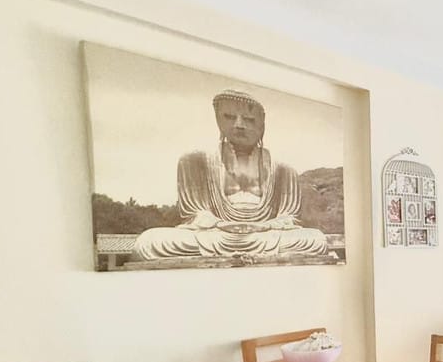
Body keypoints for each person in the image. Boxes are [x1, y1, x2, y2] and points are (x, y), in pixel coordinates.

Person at [132, 90, 328, 260]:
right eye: (229, 117)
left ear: (262, 125)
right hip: (215, 234)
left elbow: (289, 218)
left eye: (249, 120)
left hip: (266, 234)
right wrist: (220, 224)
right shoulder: (195, 161)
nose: (239, 125)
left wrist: (263, 227)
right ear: (218, 120)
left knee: (315, 240)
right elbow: (195, 214)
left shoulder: (283, 169)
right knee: (148, 243)